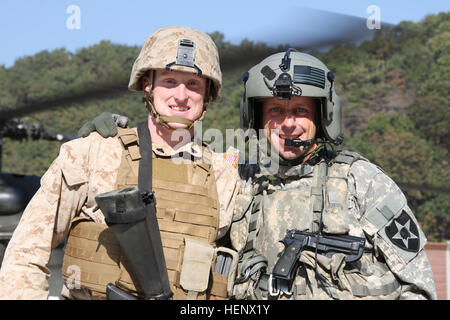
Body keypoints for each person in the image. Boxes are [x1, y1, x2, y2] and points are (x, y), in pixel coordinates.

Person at [0, 26, 240, 300]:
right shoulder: (95, 153)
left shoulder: (225, 176)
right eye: (170, 81)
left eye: (194, 84)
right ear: (148, 85)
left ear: (207, 94)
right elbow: (26, 252)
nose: (181, 95)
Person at [229, 49, 437, 300]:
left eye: (301, 111)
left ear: (323, 117)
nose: (288, 123)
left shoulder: (361, 180)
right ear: (256, 118)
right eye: (275, 110)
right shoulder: (242, 184)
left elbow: (418, 287)